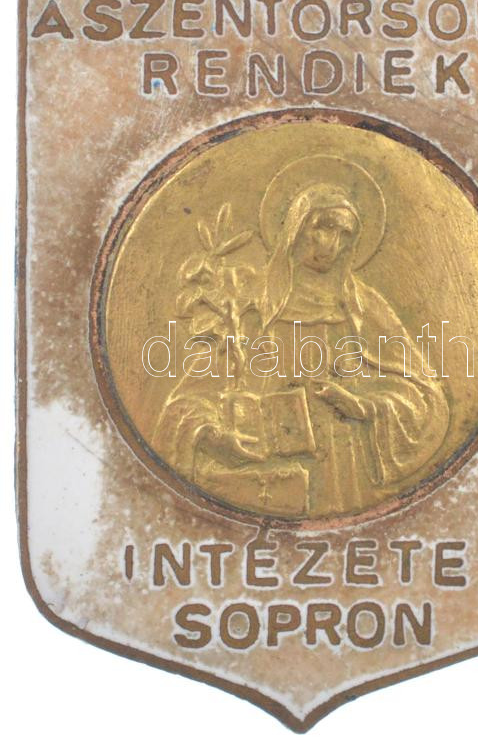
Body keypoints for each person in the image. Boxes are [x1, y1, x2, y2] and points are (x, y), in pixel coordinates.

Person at [153, 180, 449, 519]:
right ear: (296, 227)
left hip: (346, 464)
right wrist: (216, 436)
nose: (332, 244)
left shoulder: (364, 309)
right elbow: (189, 400)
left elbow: (423, 395)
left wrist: (365, 407)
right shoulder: (250, 305)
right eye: (323, 227)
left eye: (345, 234)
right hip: (267, 470)